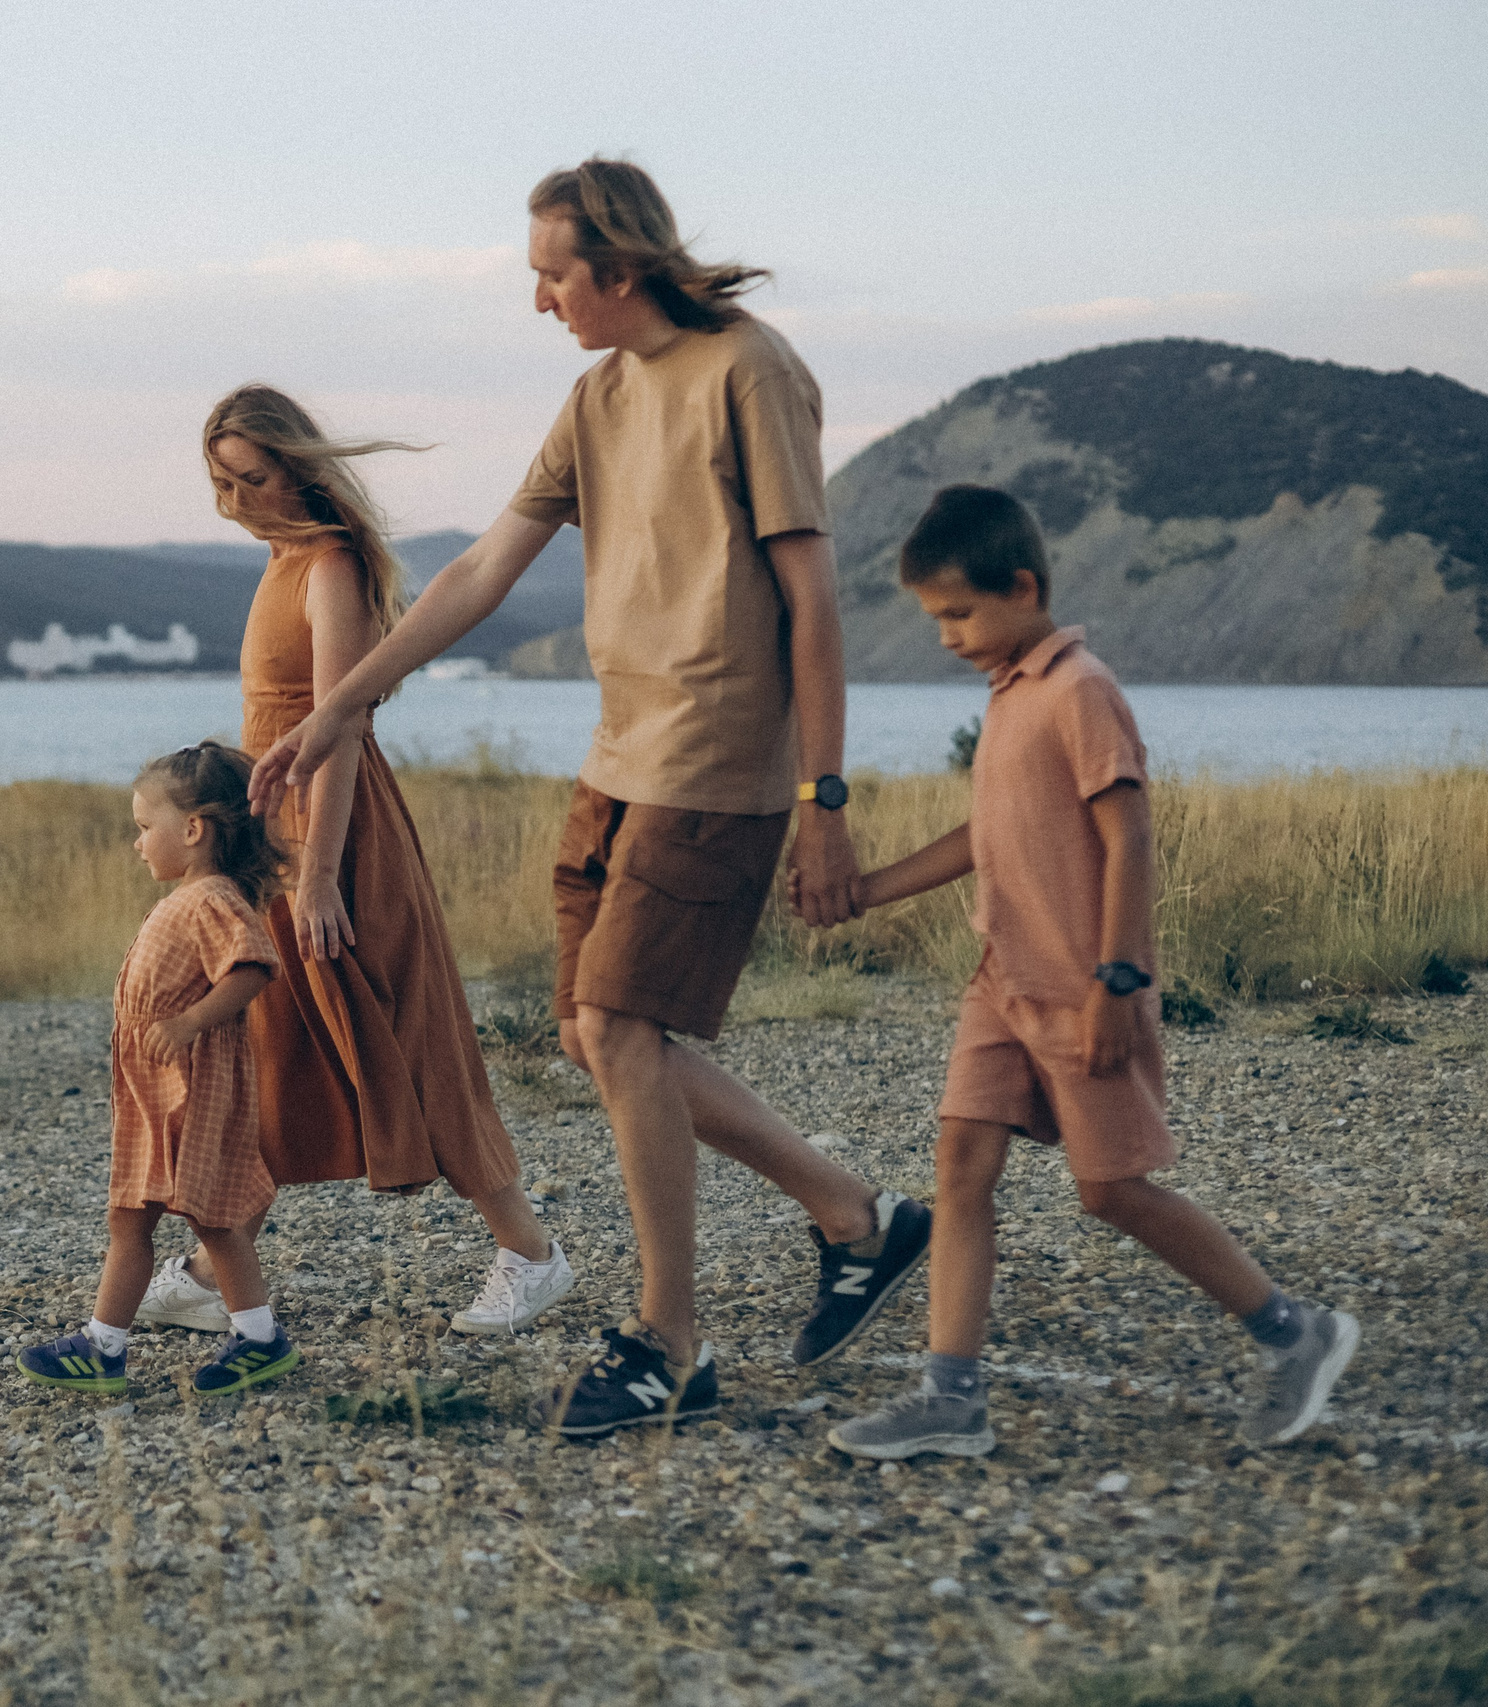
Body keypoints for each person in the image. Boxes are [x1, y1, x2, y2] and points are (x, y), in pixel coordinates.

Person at [248, 158, 930, 1436]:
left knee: (619, 1028)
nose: (541, 300)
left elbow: (813, 601)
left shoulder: (748, 370)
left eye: (552, 276)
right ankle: (857, 1217)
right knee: (592, 1036)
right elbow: (480, 573)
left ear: (616, 267)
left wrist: (824, 801)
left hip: (715, 759)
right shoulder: (597, 395)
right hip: (616, 759)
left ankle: (669, 1343)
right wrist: (341, 709)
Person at [825, 487, 1358, 1459]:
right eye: (935, 618)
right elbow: (984, 835)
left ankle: (1295, 1331)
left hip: (1083, 986)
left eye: (958, 613)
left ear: (1022, 588)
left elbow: (1130, 835)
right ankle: (951, 1398)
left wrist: (1119, 979)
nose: (945, 637)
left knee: (1110, 1190)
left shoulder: (1079, 689)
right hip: (1001, 980)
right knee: (960, 1166)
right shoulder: (1008, 693)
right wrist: (866, 891)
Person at [132, 383, 576, 1343]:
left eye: (253, 478)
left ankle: (531, 1252)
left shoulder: (330, 567)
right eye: (221, 482)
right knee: (271, 1044)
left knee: (408, 1035)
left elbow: (341, 727)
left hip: (335, 836)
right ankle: (213, 1270)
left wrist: (321, 872)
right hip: (273, 840)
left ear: (299, 467)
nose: (236, 500)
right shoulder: (282, 561)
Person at [18, 741, 302, 1400]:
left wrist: (191, 1022)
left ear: (194, 829)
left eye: (146, 827)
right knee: (129, 1218)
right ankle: (102, 1346)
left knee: (215, 1218)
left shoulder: (212, 899)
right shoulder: (189, 896)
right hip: (152, 1094)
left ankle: (259, 1338)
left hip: (196, 1088)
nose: (138, 842)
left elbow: (253, 966)